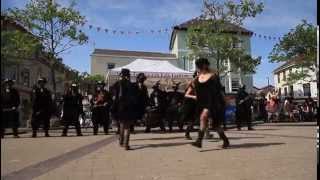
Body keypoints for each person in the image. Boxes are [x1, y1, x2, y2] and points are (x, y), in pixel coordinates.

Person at [191, 58, 229, 148]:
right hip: (202, 103)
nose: (198, 67)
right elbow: (194, 87)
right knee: (214, 125)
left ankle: (199, 141)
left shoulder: (213, 76)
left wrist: (225, 100)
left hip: (213, 102)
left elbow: (220, 90)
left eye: (199, 65)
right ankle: (225, 141)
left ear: (204, 65)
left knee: (205, 118)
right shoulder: (197, 78)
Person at [112, 69, 137, 150]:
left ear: (121, 75)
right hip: (129, 107)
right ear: (128, 75)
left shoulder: (117, 84)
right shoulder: (131, 84)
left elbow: (114, 95)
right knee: (128, 127)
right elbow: (134, 98)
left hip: (120, 107)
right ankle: (126, 145)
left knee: (122, 125)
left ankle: (121, 142)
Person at [181, 72, 198, 139]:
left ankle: (187, 133)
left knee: (193, 120)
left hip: (195, 104)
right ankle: (187, 133)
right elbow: (186, 95)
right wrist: (194, 97)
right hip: (190, 105)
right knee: (191, 120)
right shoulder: (192, 84)